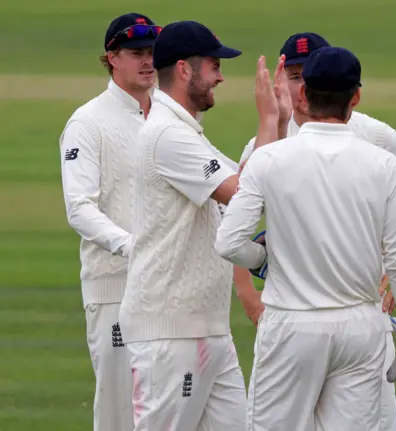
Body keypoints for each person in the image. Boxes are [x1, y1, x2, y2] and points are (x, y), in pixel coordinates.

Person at [215, 46, 396, 431]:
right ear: (355, 97)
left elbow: (228, 243)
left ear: (303, 95)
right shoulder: (382, 163)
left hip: (291, 326)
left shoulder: (268, 159)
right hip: (361, 331)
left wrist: (263, 261)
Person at [117, 20, 284, 430]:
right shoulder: (167, 136)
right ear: (185, 70)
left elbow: (247, 179)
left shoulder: (185, 131)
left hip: (206, 327)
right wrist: (267, 120)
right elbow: (249, 193)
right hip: (169, 333)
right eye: (213, 65)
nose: (221, 76)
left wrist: (278, 122)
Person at [58, 12, 160, 431]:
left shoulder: (169, 116)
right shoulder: (88, 122)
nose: (148, 61)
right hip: (115, 285)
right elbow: (80, 208)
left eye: (153, 52)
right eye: (136, 53)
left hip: (167, 287)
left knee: (166, 407)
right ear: (111, 58)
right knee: (121, 411)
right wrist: (133, 246)